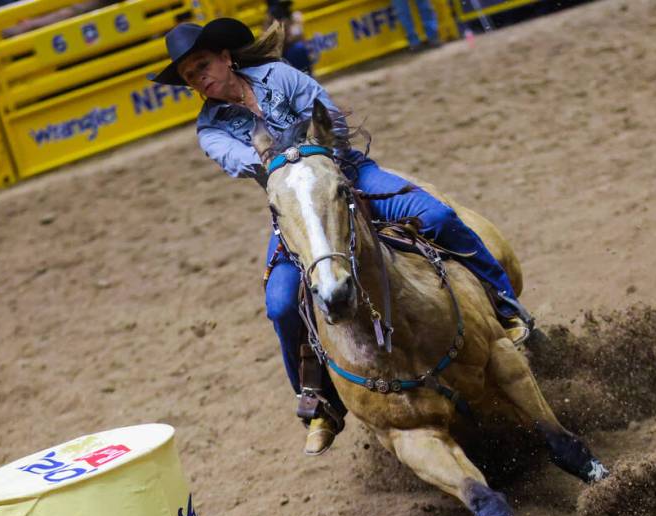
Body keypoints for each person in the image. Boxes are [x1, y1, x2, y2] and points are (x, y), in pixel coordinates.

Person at [150, 18, 532, 456]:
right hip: (297, 206)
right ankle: (318, 404)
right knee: (280, 304)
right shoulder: (211, 130)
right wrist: (295, 165)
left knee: (438, 216)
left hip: (349, 175)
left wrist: (310, 161)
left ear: (225, 57)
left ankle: (504, 305)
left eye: (202, 66)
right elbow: (247, 163)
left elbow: (328, 118)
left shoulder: (281, 76)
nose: (200, 80)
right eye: (190, 77)